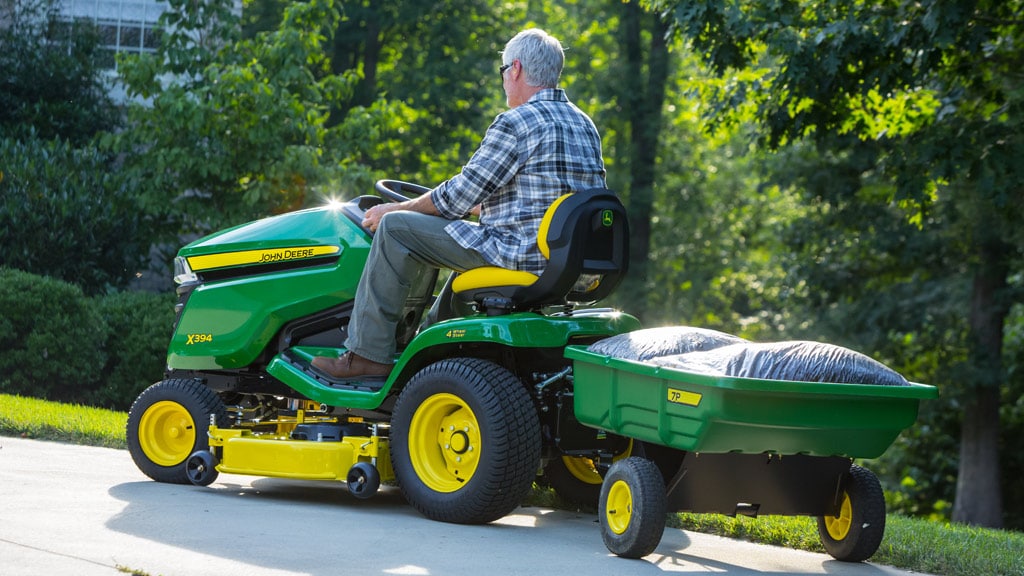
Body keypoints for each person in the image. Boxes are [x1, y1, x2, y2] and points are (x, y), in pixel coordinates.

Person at [312, 28, 607, 381]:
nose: (503, 81)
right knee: (463, 245)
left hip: (522, 254)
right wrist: (486, 208)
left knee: (397, 229)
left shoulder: (517, 122)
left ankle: (367, 354)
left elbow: (455, 198)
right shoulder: (583, 123)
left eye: (502, 72)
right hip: (569, 262)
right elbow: (553, 198)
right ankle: (427, 355)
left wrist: (391, 209)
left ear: (515, 69)